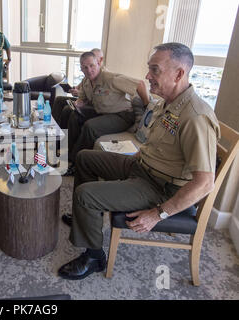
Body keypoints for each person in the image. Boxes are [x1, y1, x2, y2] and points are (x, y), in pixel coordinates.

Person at [57, 43, 220, 280]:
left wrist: (158, 214)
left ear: (179, 74)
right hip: (141, 167)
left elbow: (205, 183)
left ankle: (94, 257)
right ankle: (85, 218)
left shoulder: (196, 116)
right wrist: (130, 160)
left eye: (155, 70)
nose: (147, 76)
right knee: (85, 158)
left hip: (160, 187)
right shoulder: (168, 103)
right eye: (149, 69)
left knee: (85, 194)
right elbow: (159, 147)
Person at [63, 51, 149, 176]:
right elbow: (84, 96)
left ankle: (76, 163)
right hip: (102, 112)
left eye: (92, 65)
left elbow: (140, 84)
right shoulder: (87, 81)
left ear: (98, 63)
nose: (89, 70)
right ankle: (66, 153)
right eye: (85, 67)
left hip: (122, 115)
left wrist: (147, 106)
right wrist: (80, 102)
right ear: (81, 68)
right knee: (74, 115)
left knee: (90, 126)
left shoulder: (111, 78)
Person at [51, 49, 106, 128]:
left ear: (100, 60)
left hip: (91, 106)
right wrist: (74, 90)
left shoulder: (104, 77)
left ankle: (63, 136)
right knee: (59, 99)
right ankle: (53, 127)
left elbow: (96, 98)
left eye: (92, 62)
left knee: (68, 109)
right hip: (82, 100)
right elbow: (79, 87)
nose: (89, 68)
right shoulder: (88, 76)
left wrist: (79, 94)